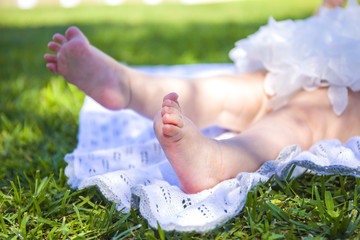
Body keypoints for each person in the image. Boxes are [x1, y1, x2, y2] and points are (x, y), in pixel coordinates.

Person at [44, 0, 359, 194]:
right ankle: (127, 85)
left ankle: (218, 160)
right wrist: (329, 9)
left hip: (347, 95)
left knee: (302, 120)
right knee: (227, 91)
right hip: (312, 63)